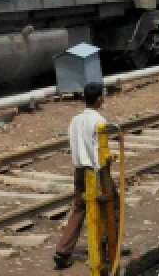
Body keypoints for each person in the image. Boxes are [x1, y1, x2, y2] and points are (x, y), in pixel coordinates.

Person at [55, 82, 117, 269]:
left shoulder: (75, 120)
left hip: (79, 170)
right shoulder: (99, 121)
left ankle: (63, 251)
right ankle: (112, 244)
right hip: (96, 171)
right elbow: (99, 148)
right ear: (99, 99)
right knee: (113, 205)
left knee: (79, 209)